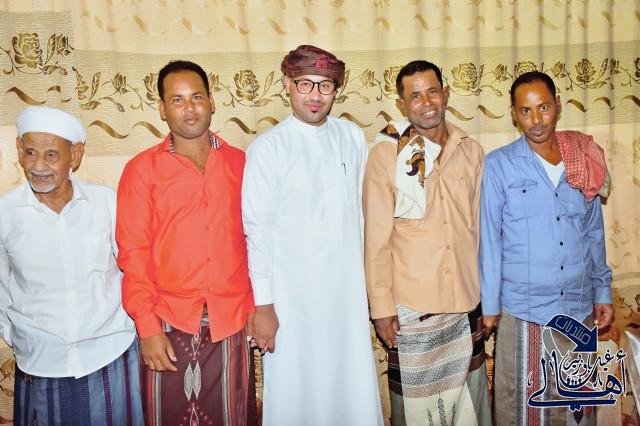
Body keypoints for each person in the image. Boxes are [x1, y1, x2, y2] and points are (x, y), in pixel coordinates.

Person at [242, 45, 383, 426]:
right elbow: (256, 230)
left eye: (325, 86)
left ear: (336, 90)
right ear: (287, 86)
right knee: (298, 391)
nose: (315, 95)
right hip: (293, 299)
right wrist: (264, 305)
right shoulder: (267, 148)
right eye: (305, 84)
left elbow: (361, 215)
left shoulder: (352, 136)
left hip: (346, 294)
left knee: (350, 386)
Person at [116, 60, 256, 425]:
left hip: (232, 320)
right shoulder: (142, 169)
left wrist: (260, 306)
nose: (189, 108)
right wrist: (147, 328)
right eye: (176, 100)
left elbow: (258, 242)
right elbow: (133, 253)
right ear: (162, 109)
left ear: (212, 101)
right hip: (168, 320)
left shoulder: (242, 164)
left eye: (196, 97)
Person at [480, 71, 613, 425]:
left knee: (576, 408)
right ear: (514, 114)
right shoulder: (498, 166)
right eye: (525, 111)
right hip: (525, 311)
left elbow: (593, 232)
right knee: (522, 408)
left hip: (577, 307)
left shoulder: (582, 158)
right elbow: (490, 239)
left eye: (543, 107)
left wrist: (602, 290)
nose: (536, 119)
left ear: (557, 105)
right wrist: (490, 307)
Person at [363, 60, 492, 426]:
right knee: (419, 413)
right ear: (402, 104)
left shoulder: (471, 150)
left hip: (466, 302)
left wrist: (490, 298)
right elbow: (376, 238)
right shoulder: (387, 153)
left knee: (471, 408)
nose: (426, 103)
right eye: (415, 96)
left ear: (446, 94)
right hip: (413, 309)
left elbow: (480, 231)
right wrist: (381, 308)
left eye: (432, 92)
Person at [0, 106, 142, 425]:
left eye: (51, 155)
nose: (39, 166)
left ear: (75, 155)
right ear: (19, 150)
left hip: (109, 354)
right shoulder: (5, 214)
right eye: (30, 153)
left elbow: (133, 269)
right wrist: (22, 336)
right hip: (41, 363)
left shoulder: (106, 203)